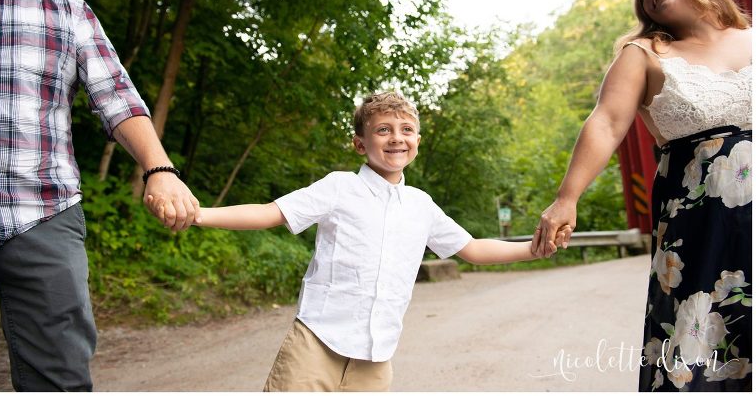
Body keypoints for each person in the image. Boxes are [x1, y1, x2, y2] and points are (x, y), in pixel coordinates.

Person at [185, 90, 559, 392]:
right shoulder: (339, 187)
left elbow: (473, 249)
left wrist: (533, 249)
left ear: (417, 141)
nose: (397, 137)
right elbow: (271, 212)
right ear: (360, 144)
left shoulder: (421, 206)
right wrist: (199, 214)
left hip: (376, 357)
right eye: (383, 130)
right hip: (318, 341)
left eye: (406, 129)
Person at [0, 0, 200, 392]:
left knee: (60, 378)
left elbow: (116, 96)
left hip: (41, 210)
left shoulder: (67, 10)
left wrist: (160, 169)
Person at [531, 0, 751, 392]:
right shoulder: (645, 54)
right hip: (701, 223)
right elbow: (607, 122)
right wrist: (566, 198)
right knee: (701, 342)